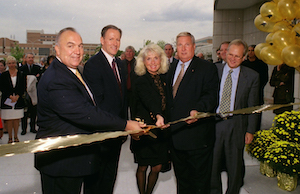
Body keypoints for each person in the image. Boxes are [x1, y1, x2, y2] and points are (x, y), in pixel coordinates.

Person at [35, 27, 144, 194]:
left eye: (80, 46)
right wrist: (125, 124)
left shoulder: (70, 71)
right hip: (61, 162)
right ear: (56, 49)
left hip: (71, 159)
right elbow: (85, 113)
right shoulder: (57, 79)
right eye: (70, 46)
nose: (77, 51)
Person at [165, 32, 219, 193]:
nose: (183, 48)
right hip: (176, 139)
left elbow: (211, 96)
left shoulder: (207, 68)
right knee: (182, 182)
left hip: (197, 139)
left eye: (186, 44)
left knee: (199, 184)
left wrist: (199, 110)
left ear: (194, 47)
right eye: (179, 45)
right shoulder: (171, 67)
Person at [84, 25, 133, 193]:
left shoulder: (119, 64)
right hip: (102, 134)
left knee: (109, 178)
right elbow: (98, 104)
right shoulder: (93, 65)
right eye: (111, 39)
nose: (115, 43)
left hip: (116, 134)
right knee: (96, 181)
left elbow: (122, 98)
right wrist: (123, 124)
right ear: (102, 40)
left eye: (118, 39)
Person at [211, 39, 259, 194]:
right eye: (230, 54)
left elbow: (253, 107)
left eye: (237, 56)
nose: (232, 58)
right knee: (212, 166)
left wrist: (250, 131)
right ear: (224, 54)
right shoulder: (214, 70)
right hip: (214, 125)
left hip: (236, 126)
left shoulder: (252, 76)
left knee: (235, 167)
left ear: (244, 57)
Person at [131, 44, 169, 194]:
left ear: (161, 60)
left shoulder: (164, 78)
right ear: (143, 62)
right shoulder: (141, 80)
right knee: (142, 166)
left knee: (157, 166)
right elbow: (149, 101)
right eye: (149, 59)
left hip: (161, 130)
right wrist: (159, 114)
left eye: (156, 58)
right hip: (144, 130)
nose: (153, 62)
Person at [242, 44, 269, 131]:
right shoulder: (244, 64)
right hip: (244, 92)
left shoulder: (262, 65)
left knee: (256, 112)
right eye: (249, 51)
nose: (250, 53)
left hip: (257, 92)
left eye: (252, 50)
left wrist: (256, 88)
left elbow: (264, 79)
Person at [0, 56, 25, 143]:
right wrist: (10, 96)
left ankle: (16, 136)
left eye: (13, 63)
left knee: (16, 119)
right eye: (9, 63)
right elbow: (2, 87)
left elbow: (23, 87)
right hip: (7, 100)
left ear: (16, 63)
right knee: (9, 119)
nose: (11, 65)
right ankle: (10, 137)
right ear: (7, 64)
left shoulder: (21, 74)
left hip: (18, 100)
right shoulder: (4, 75)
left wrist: (17, 96)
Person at [19, 52, 42, 135]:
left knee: (33, 111)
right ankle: (24, 129)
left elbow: (39, 79)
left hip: (34, 93)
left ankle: (32, 127)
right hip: (25, 93)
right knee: (25, 112)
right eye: (29, 57)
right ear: (26, 58)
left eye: (32, 57)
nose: (30, 59)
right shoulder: (21, 68)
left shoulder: (37, 68)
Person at [122, 45, 138, 119]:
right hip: (124, 91)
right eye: (127, 51)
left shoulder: (137, 64)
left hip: (134, 92)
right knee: (123, 111)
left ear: (133, 53)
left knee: (134, 111)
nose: (128, 53)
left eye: (130, 51)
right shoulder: (121, 63)